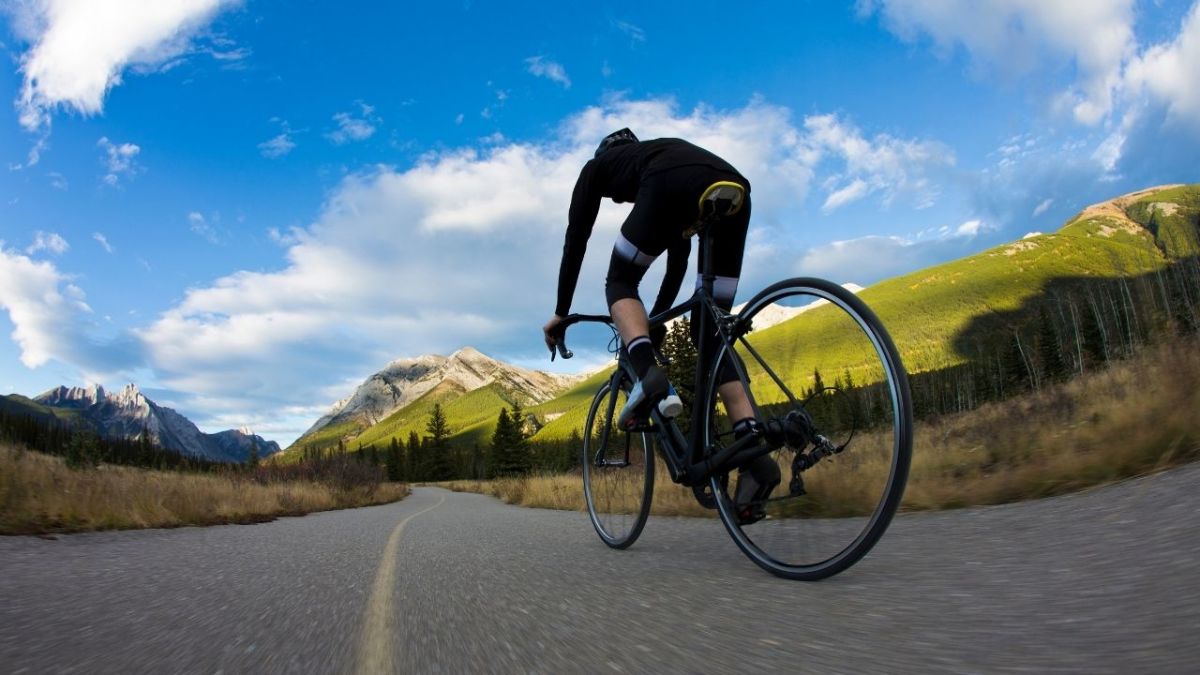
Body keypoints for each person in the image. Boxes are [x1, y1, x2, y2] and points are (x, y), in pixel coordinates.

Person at [542, 128, 780, 523]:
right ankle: (754, 452)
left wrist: (562, 311)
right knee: (712, 331)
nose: (618, 198)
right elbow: (678, 260)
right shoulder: (662, 152)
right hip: (733, 188)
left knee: (620, 279)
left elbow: (576, 237)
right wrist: (653, 319)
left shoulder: (597, 167)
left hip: (671, 185)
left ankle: (648, 376)